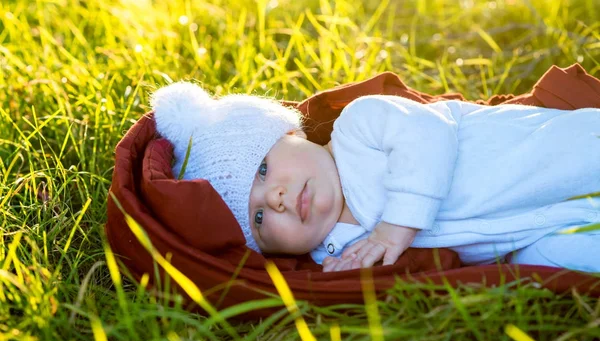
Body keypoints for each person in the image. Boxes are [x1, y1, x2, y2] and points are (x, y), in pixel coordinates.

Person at [151, 81, 600, 273]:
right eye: (260, 218)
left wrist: (392, 229)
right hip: (524, 229)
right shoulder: (336, 249)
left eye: (264, 169)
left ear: (291, 131)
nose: (278, 197)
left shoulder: (358, 127)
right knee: (547, 262)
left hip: (534, 155)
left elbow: (426, 135)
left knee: (582, 150)